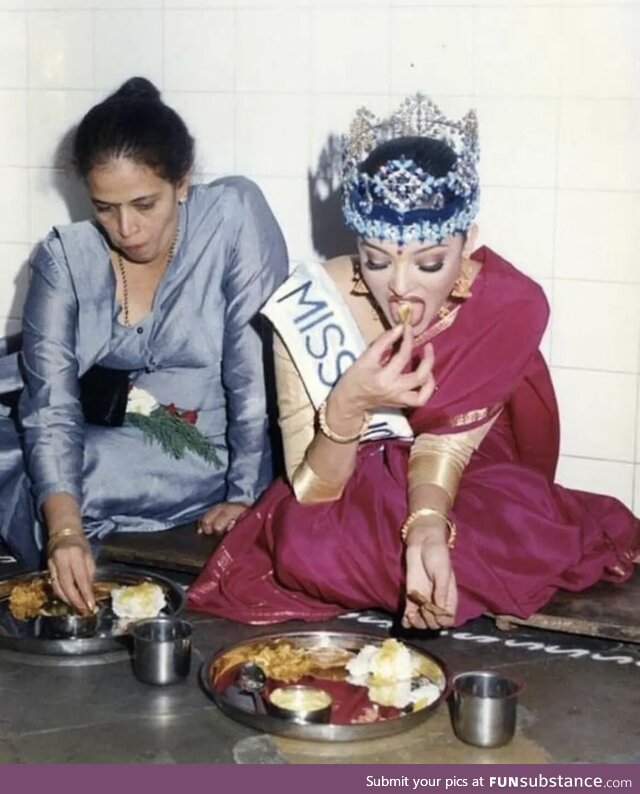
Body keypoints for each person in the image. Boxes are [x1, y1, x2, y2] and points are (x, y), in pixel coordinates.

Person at [187, 93, 638, 631]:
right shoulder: (308, 302)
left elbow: (447, 443)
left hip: (463, 478)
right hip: (344, 481)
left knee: (514, 532)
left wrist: (427, 523)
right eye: (376, 260)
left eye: (429, 263)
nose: (400, 286)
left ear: (467, 241)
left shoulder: (503, 304)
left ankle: (436, 566)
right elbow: (314, 490)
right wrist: (350, 403)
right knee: (304, 542)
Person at [0, 77, 288, 613]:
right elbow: (50, 405)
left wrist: (244, 494)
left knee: (68, 476)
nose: (126, 228)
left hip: (203, 444)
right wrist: (64, 533)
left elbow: (253, 371)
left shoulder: (232, 215)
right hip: (98, 421)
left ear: (182, 181)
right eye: (105, 207)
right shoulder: (65, 258)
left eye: (144, 204)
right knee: (44, 467)